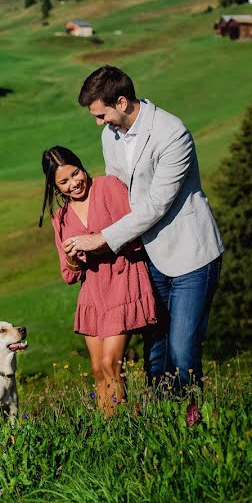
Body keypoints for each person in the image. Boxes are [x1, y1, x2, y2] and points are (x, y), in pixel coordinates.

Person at [63, 65, 224, 393]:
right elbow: (115, 192)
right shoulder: (110, 135)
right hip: (146, 256)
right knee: (155, 348)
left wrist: (102, 239)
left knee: (181, 349)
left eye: (100, 114)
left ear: (121, 102)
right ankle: (163, 420)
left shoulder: (171, 133)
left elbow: (156, 205)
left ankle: (194, 420)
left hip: (191, 255)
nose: (98, 123)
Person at [40, 146, 157, 415]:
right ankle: (109, 428)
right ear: (56, 187)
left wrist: (99, 244)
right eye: (64, 182)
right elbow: (69, 275)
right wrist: (72, 258)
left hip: (122, 278)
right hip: (92, 290)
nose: (74, 183)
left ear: (82, 166)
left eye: (76, 173)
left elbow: (138, 235)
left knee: (110, 363)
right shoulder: (61, 218)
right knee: (97, 369)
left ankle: (123, 427)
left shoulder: (109, 188)